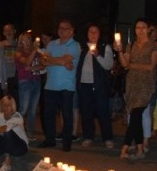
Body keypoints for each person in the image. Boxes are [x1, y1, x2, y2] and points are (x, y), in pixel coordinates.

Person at [116, 18, 157, 160]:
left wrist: (132, 65)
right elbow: (124, 64)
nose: (140, 30)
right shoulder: (132, 45)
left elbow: (151, 66)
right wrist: (120, 51)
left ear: (148, 29)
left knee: (136, 114)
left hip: (145, 84)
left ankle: (125, 147)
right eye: (137, 28)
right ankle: (140, 148)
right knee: (134, 115)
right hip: (132, 83)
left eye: (143, 27)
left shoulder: (154, 46)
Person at [41, 20, 81, 151]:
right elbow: (43, 60)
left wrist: (53, 60)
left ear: (71, 31)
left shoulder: (75, 45)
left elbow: (63, 59)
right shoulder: (52, 44)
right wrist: (62, 62)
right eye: (60, 27)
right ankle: (50, 140)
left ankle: (66, 143)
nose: (62, 30)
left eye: (65, 28)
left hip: (66, 86)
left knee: (66, 115)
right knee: (48, 115)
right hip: (50, 85)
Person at [76, 24, 114, 148]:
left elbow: (108, 65)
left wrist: (97, 55)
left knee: (103, 111)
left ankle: (107, 137)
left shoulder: (104, 47)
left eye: (95, 32)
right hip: (84, 84)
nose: (93, 34)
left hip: (99, 84)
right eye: (90, 32)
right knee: (86, 111)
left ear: (99, 34)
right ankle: (88, 136)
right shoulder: (81, 47)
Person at [14, 33, 43, 140]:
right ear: (20, 43)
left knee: (33, 110)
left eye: (28, 40)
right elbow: (26, 62)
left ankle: (30, 133)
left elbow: (42, 64)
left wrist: (32, 69)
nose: (26, 42)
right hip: (25, 82)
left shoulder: (36, 53)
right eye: (23, 40)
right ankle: (17, 131)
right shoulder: (18, 53)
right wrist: (34, 50)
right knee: (23, 109)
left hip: (36, 81)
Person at [1, 23, 18, 100]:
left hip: (17, 76)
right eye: (6, 31)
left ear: (14, 31)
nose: (8, 32)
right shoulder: (0, 45)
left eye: (10, 30)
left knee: (15, 99)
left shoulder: (19, 45)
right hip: (5, 76)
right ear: (4, 33)